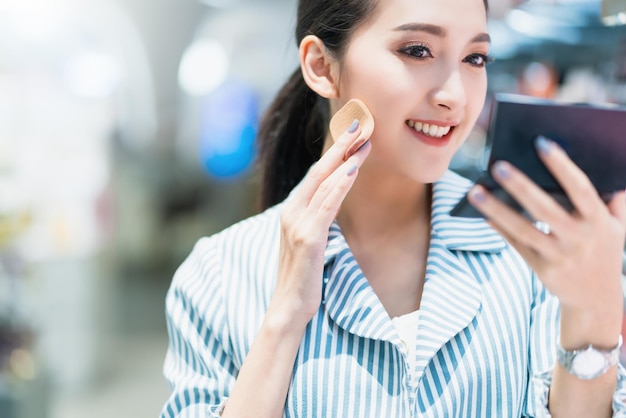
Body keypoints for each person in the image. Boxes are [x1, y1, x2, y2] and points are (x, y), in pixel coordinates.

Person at [160, 0, 626, 416]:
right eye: (417, 51)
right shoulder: (220, 275)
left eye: (475, 58)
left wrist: (596, 316)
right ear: (322, 66)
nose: (455, 96)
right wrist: (283, 319)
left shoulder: (534, 256)